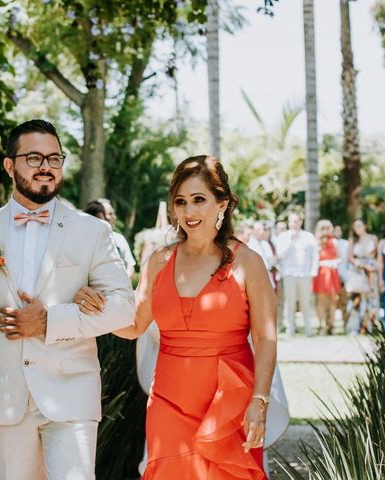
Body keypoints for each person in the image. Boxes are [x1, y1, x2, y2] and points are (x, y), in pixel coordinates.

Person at [0, 119, 135, 479]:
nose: (46, 166)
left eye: (54, 158)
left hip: (71, 394)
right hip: (5, 397)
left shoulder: (91, 231)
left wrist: (51, 321)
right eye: (33, 157)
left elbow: (124, 308)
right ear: (10, 166)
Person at [76, 155, 276, 478]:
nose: (189, 211)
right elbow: (134, 325)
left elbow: (266, 337)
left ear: (221, 203)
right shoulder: (158, 261)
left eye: (199, 200)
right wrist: (96, 311)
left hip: (227, 404)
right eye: (181, 202)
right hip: (169, 402)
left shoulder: (247, 263)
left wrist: (260, 400)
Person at [275, 213, 318, 337]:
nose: (294, 223)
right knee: (290, 303)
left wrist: (313, 271)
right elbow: (280, 255)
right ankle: (290, 329)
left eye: (296, 221)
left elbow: (314, 255)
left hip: (304, 275)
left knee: (305, 303)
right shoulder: (283, 237)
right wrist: (290, 241)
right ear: (289, 222)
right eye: (292, 221)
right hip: (288, 274)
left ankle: (308, 329)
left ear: (300, 222)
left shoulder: (308, 236)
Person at [345, 219, 379, 334]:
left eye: (359, 226)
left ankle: (370, 327)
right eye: (355, 227)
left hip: (371, 272)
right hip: (358, 271)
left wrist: (373, 267)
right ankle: (354, 327)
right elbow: (350, 258)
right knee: (356, 299)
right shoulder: (352, 240)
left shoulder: (373, 238)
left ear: (365, 226)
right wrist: (359, 264)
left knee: (372, 298)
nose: (357, 229)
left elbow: (377, 256)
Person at [312, 220, 341, 335]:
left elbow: (339, 258)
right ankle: (321, 325)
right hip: (321, 273)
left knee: (333, 300)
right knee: (321, 300)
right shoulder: (316, 242)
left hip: (332, 272)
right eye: (323, 228)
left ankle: (332, 325)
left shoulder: (334, 241)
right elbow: (313, 259)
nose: (325, 231)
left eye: (327, 228)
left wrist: (334, 262)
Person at [96, 198, 137, 279]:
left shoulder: (119, 239)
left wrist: (122, 283)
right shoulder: (88, 240)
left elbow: (130, 267)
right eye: (110, 214)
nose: (114, 217)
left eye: (113, 214)